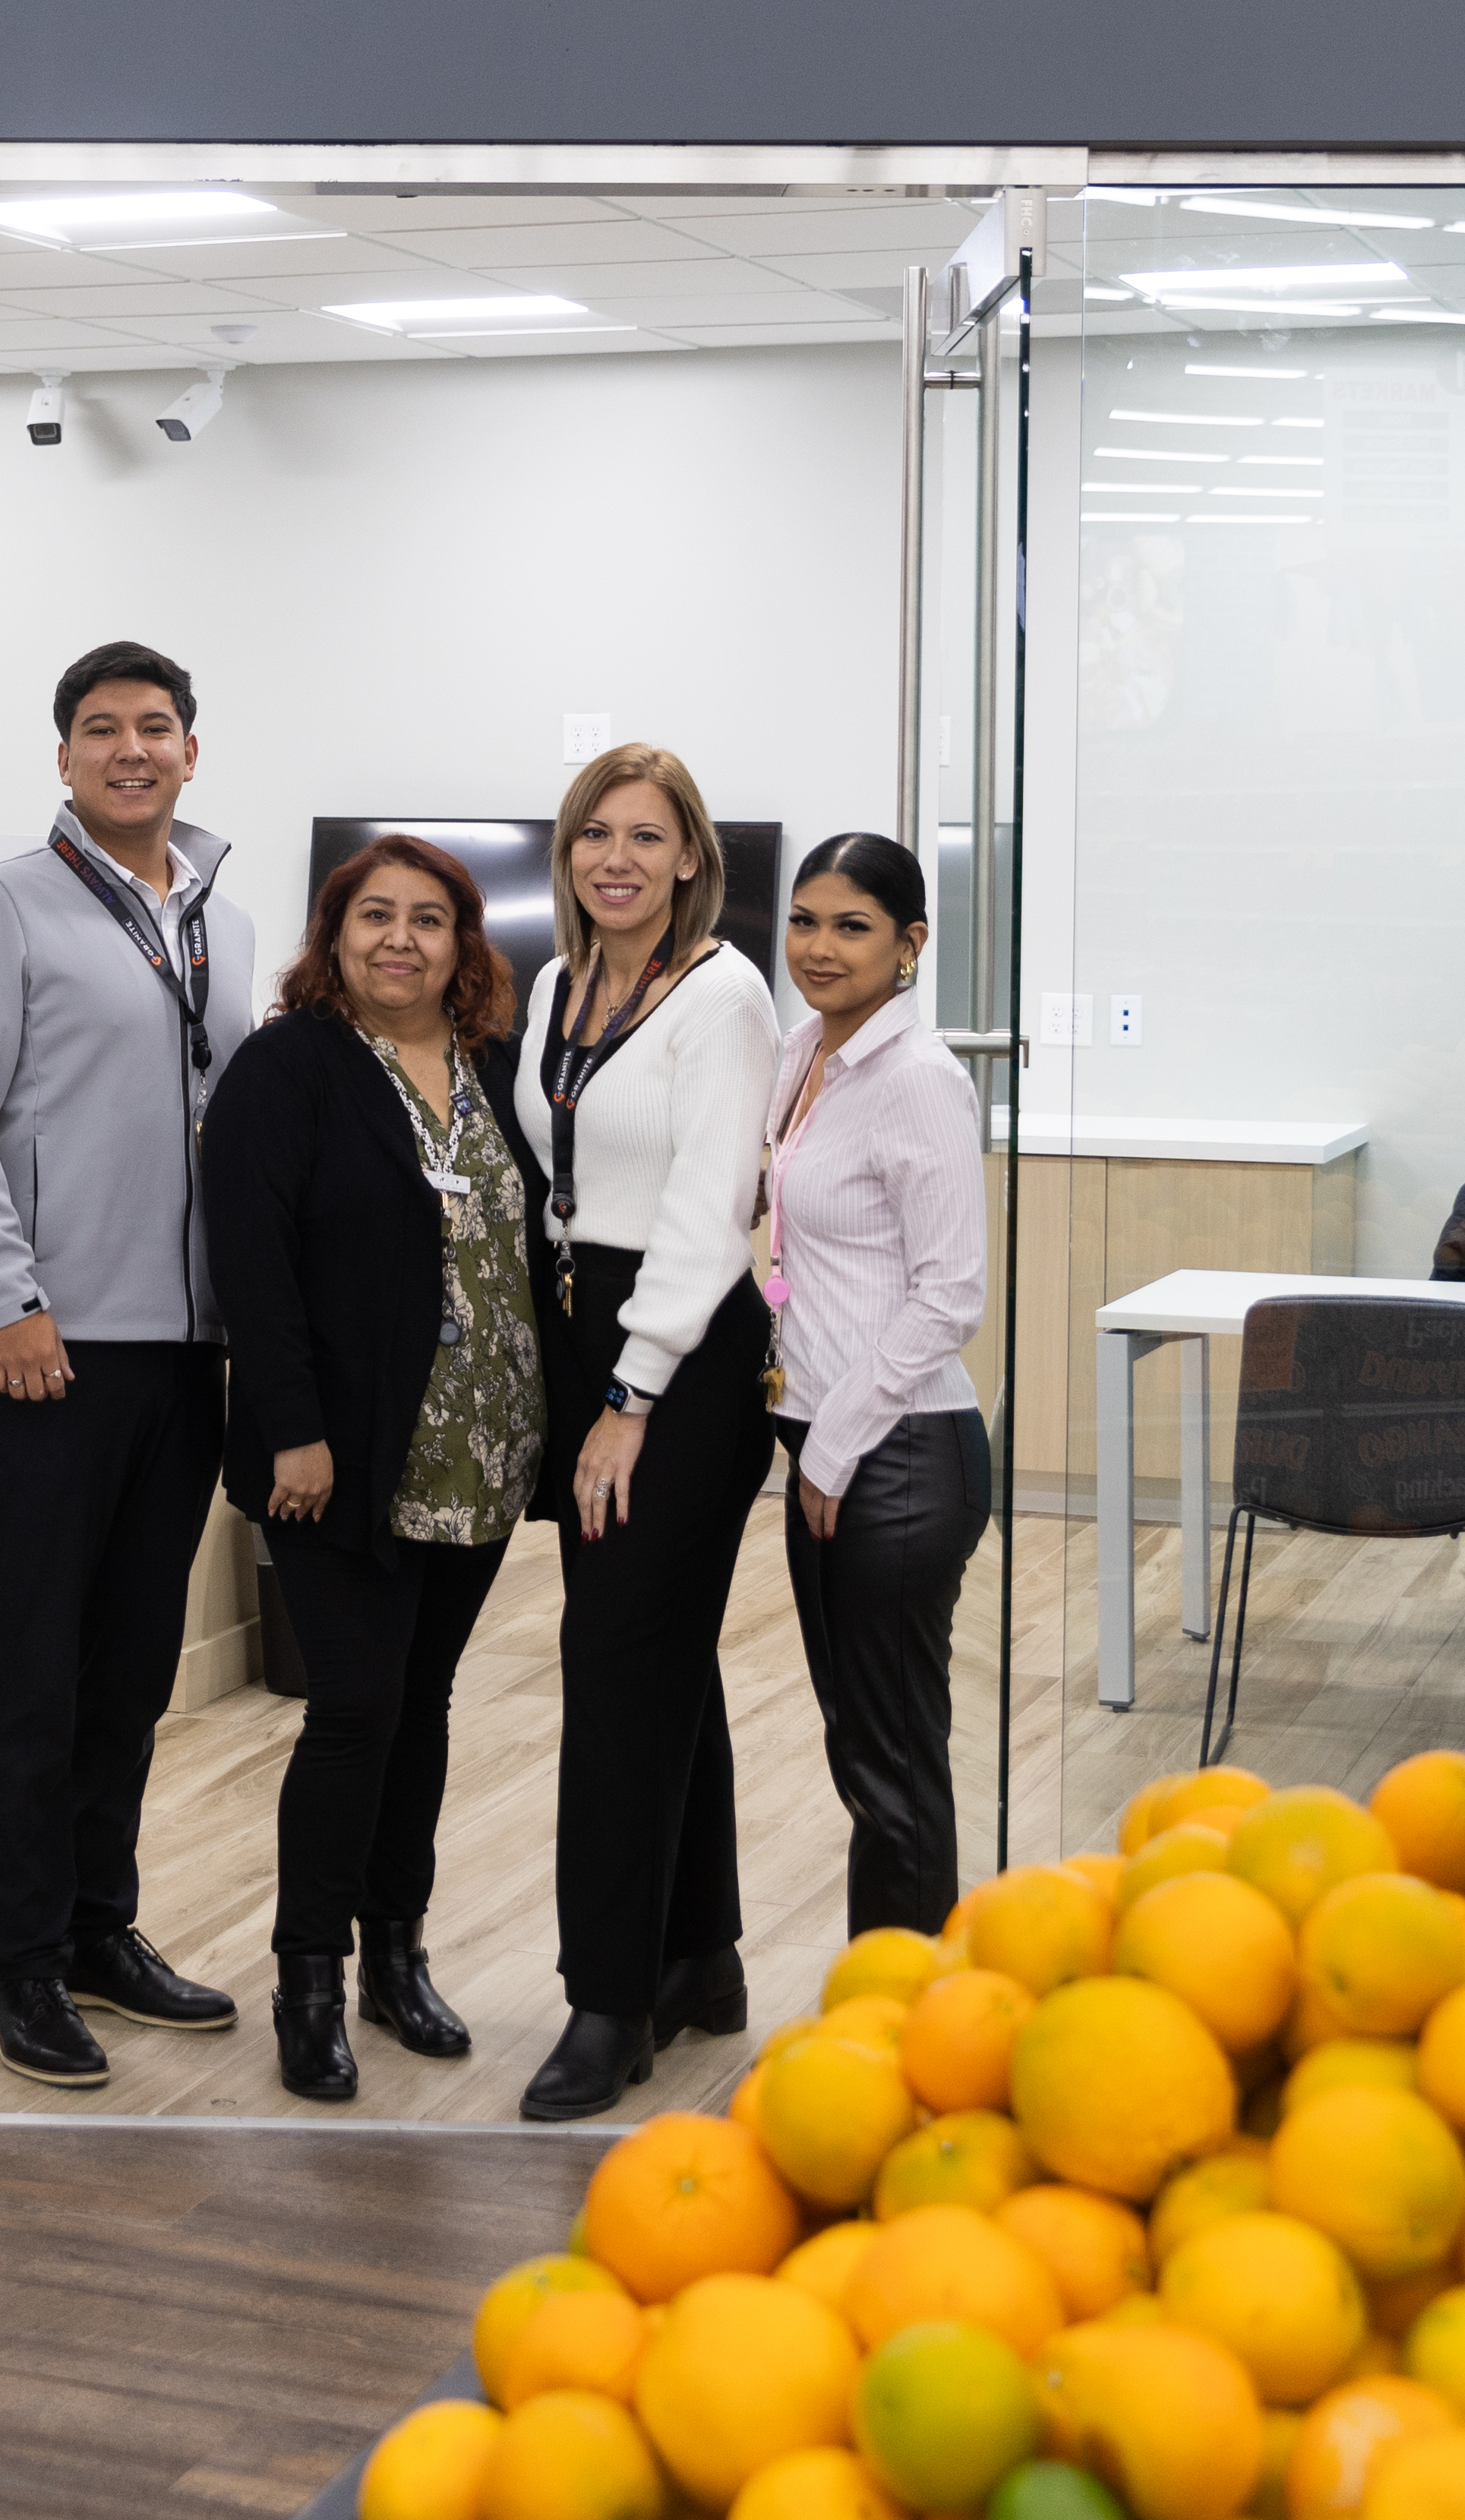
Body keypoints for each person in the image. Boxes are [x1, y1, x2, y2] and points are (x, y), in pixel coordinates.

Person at [0, 639, 261, 2089]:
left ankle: (101, 1926)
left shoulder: (221, 920)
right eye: (101, 729)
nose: (130, 750)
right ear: (64, 757)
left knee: (128, 1672)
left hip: (183, 1355)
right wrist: (12, 1299)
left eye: (154, 727)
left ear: (191, 751)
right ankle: (22, 1963)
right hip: (41, 1356)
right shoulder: (4, 904)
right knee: (28, 1677)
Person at [199, 836, 543, 2102]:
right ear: (334, 935)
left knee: (422, 1704)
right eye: (375, 916)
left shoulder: (492, 1066)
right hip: (342, 1457)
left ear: (463, 944)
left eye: (429, 919)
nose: (401, 939)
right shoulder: (288, 1066)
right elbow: (251, 1260)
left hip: (479, 1450)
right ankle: (309, 1980)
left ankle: (399, 1956)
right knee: (353, 1708)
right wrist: (292, 1424)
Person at [512, 741, 780, 2121]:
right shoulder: (559, 984)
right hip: (585, 1332)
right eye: (594, 834)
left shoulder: (723, 997)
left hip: (672, 1355)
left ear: (690, 861)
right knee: (660, 1654)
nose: (616, 859)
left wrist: (632, 1396)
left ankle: (606, 1999)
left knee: (613, 1668)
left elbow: (710, 1206)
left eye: (646, 837)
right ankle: (700, 1957)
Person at [760, 832, 994, 1942]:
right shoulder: (802, 1051)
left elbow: (951, 1294)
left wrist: (834, 1443)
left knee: (890, 1756)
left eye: (852, 927)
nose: (819, 947)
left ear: (911, 944)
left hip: (896, 1453)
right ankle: (897, 1988)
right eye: (805, 921)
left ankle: (912, 2008)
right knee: (862, 1747)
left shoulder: (918, 1080)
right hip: (826, 1439)